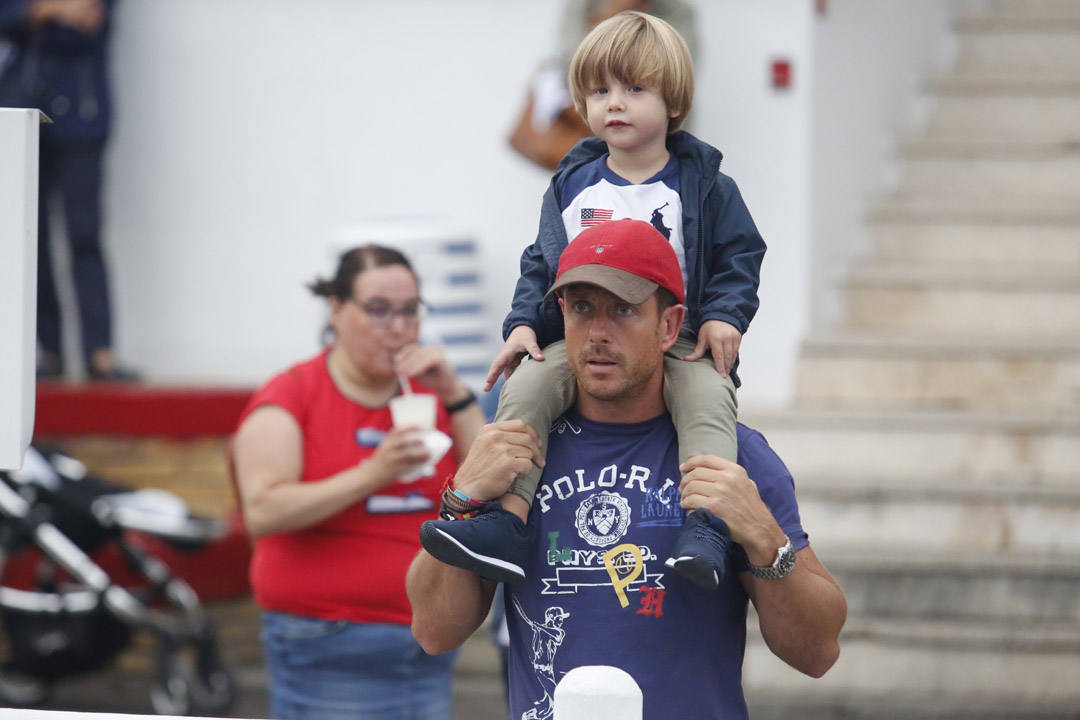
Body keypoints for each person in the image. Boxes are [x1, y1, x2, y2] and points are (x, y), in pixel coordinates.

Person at [407, 221, 846, 720]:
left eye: (623, 310)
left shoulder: (734, 456)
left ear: (669, 326)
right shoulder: (514, 450)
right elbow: (434, 632)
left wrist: (765, 537)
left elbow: (817, 654)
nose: (598, 332)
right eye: (582, 308)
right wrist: (461, 500)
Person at [432, 11, 767, 591]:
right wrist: (522, 324)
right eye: (598, 90)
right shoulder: (572, 183)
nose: (614, 103)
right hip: (583, 340)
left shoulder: (704, 184)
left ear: (674, 102)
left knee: (708, 398)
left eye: (634, 89)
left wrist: (723, 316)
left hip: (680, 340)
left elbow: (740, 255)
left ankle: (707, 527)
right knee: (526, 388)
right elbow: (541, 261)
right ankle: (507, 520)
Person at [232, 245, 485, 720]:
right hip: (328, 641)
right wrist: (374, 472)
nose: (399, 327)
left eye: (410, 310)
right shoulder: (292, 395)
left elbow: (489, 478)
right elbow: (263, 511)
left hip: (428, 639)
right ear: (336, 309)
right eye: (378, 310)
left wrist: (454, 392)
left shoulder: (432, 392)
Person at [0, 0, 135, 380]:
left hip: (82, 118)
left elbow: (88, 23)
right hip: (26, 111)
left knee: (84, 235)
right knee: (32, 239)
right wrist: (51, 10)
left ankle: (100, 353)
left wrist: (37, 16)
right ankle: (50, 351)